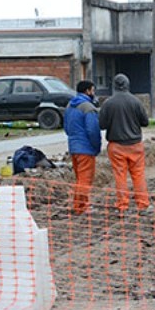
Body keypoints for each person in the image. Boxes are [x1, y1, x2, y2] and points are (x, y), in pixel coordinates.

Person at [98, 74, 152, 215]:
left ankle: (122, 206)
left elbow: (102, 125)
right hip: (135, 145)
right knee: (138, 175)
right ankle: (143, 205)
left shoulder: (108, 103)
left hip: (116, 146)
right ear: (128, 85)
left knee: (120, 176)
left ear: (114, 86)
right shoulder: (136, 102)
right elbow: (145, 122)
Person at [63, 80, 101, 215]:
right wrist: (96, 147)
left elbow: (66, 128)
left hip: (73, 147)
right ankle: (82, 207)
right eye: (93, 90)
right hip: (86, 149)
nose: (94, 93)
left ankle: (77, 204)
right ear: (88, 91)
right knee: (85, 179)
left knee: (79, 178)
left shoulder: (70, 106)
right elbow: (93, 131)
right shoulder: (88, 108)